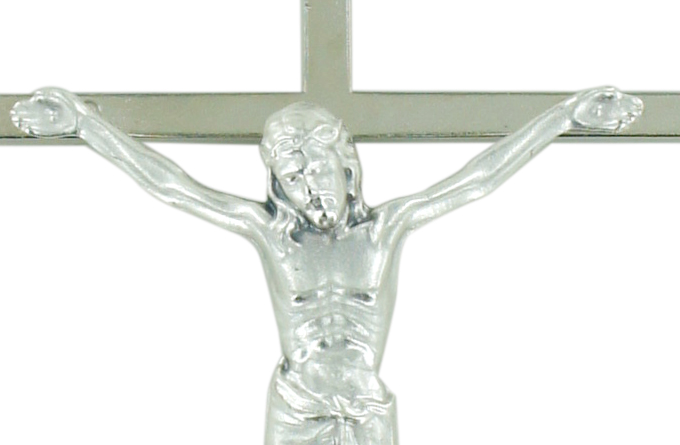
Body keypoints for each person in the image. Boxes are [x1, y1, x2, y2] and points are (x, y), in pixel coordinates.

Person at [11, 86, 643, 445]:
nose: (308, 189)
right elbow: (172, 186)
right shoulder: (272, 234)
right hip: (298, 401)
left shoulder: (385, 229)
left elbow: (479, 178)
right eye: (291, 179)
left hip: (364, 401)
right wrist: (86, 127)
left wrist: (563, 118)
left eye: (314, 171)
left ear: (345, 164)